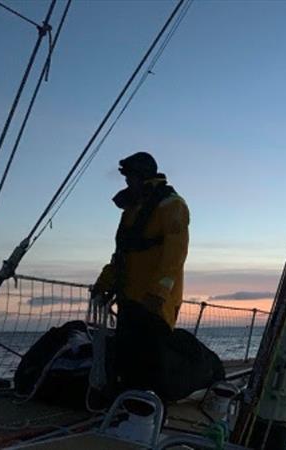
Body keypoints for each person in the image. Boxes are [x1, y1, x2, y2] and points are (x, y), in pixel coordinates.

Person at [91, 151, 189, 395]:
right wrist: (104, 283)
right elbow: (122, 254)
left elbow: (175, 254)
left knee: (151, 362)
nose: (127, 183)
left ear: (143, 176)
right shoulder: (132, 211)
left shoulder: (172, 206)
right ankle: (124, 409)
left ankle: (148, 415)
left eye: (130, 177)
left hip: (154, 303)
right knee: (127, 359)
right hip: (129, 298)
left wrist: (159, 292)